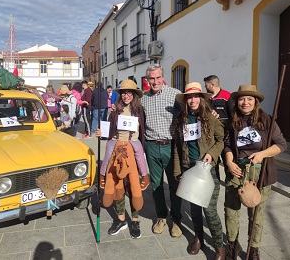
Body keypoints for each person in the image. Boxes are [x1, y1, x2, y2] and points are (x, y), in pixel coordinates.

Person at [224, 85, 287, 260]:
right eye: (242, 99)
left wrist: (262, 154)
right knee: (231, 210)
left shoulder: (266, 120)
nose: (245, 103)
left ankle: (254, 248)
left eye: (249, 99)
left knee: (256, 213)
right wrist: (229, 162)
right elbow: (227, 145)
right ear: (237, 101)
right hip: (237, 171)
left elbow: (281, 144)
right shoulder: (233, 120)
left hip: (260, 173)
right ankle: (232, 244)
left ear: (255, 102)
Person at [172, 82, 225, 259]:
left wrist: (211, 154)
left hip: (207, 170)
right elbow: (177, 147)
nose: (192, 100)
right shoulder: (182, 119)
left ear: (201, 99)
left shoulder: (210, 117)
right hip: (189, 169)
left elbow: (221, 140)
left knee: (209, 211)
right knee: (194, 209)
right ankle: (198, 238)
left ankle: (219, 247)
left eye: (196, 96)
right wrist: (178, 169)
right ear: (186, 100)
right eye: (189, 97)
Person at [95, 79, 148, 239]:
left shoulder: (139, 110)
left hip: (133, 150)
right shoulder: (115, 111)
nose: (126, 95)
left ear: (134, 95)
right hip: (116, 150)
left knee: (134, 187)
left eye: (129, 93)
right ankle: (120, 219)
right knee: (118, 186)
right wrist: (101, 133)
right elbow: (108, 130)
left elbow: (144, 129)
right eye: (123, 93)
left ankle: (135, 220)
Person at [141, 63, 183, 237]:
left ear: (163, 77)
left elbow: (190, 112)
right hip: (151, 146)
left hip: (171, 146)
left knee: (175, 184)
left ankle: (177, 220)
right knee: (156, 185)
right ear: (147, 79)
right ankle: (161, 217)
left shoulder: (175, 95)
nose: (155, 81)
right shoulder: (143, 98)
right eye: (152, 78)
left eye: (158, 77)